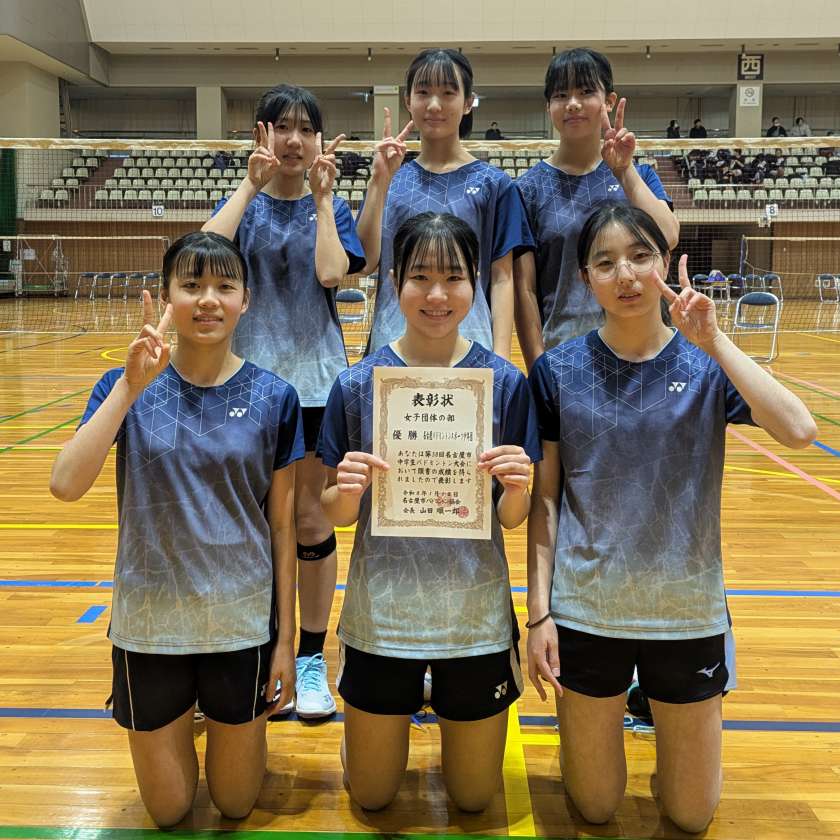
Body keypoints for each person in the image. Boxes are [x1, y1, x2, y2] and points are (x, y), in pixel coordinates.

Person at [526, 202, 817, 833]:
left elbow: (799, 429)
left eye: (640, 257)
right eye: (606, 262)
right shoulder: (556, 371)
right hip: (587, 608)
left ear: (665, 262)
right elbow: (545, 502)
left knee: (691, 815)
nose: (626, 275)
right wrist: (539, 614)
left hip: (686, 611)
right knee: (595, 807)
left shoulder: (705, 363)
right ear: (585, 278)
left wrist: (714, 340)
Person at [49, 232, 305, 827]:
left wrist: (287, 642)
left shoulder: (276, 397)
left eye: (224, 286)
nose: (208, 299)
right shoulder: (125, 384)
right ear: (167, 297)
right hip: (150, 624)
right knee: (167, 811)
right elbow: (65, 483)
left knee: (236, 803)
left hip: (240, 622)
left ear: (246, 299)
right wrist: (129, 387)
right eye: (191, 285)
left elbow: (282, 526)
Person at [319, 212, 541, 811]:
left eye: (453, 277)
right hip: (382, 612)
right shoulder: (357, 385)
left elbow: (512, 518)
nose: (437, 295)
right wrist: (346, 490)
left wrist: (517, 485)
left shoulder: (504, 384)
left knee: (473, 799)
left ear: (475, 284)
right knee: (371, 797)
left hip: (473, 615)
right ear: (396, 283)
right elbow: (334, 514)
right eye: (420, 277)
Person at [203, 84, 366, 719]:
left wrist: (322, 201)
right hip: (244, 388)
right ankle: (247, 649)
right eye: (281, 126)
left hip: (317, 387)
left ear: (319, 140)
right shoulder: (242, 203)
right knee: (246, 522)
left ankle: (310, 659)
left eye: (305, 128)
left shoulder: (334, 207)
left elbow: (332, 273)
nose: (294, 139)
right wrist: (250, 186)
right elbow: (203, 256)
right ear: (261, 135)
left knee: (310, 522)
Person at [356, 48, 534, 361]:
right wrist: (378, 183)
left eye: (448, 93)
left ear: (468, 102)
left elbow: (502, 277)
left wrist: (501, 357)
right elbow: (366, 263)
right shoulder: (390, 179)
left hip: (471, 346)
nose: (434, 105)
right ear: (408, 101)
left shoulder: (495, 184)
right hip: (394, 346)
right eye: (423, 92)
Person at [514, 47, 679, 370]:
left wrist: (624, 171)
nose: (573, 103)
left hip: (645, 352)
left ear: (609, 101)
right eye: (561, 95)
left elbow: (669, 236)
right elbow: (526, 290)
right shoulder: (527, 189)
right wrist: (538, 370)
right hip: (565, 354)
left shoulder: (640, 175)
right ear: (548, 106)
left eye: (586, 91)